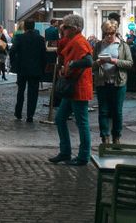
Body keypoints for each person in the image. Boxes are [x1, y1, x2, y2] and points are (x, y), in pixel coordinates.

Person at [50, 13, 94, 167]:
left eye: (66, 27)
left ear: (75, 28)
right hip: (73, 87)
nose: (64, 30)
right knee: (60, 118)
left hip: (78, 87)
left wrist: (72, 65)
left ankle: (83, 156)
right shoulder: (75, 40)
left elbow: (88, 61)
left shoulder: (79, 42)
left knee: (81, 123)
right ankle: (65, 152)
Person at [93, 19, 133, 146]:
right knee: (103, 111)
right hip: (102, 82)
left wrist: (115, 61)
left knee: (117, 111)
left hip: (118, 82)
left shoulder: (123, 45)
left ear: (116, 32)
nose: (109, 36)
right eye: (106, 33)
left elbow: (130, 63)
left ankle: (116, 136)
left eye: (111, 33)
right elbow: (92, 65)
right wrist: (98, 63)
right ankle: (105, 137)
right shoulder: (99, 46)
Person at [10, 19, 47, 123]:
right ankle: (30, 115)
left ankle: (18, 112)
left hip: (22, 68)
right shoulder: (40, 39)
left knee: (20, 91)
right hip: (35, 69)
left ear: (25, 27)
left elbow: (12, 51)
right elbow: (44, 56)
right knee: (33, 93)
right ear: (34, 27)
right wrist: (42, 68)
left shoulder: (20, 38)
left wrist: (14, 64)